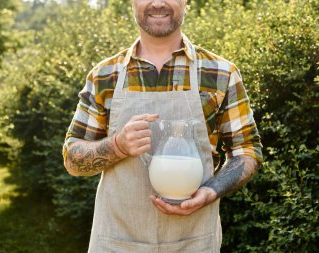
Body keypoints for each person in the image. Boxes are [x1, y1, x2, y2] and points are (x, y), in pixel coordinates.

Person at [63, 0, 263, 252]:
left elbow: (247, 150)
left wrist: (211, 191)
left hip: (193, 241)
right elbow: (72, 159)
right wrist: (117, 146)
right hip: (116, 241)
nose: (158, 3)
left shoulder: (220, 74)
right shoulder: (105, 75)